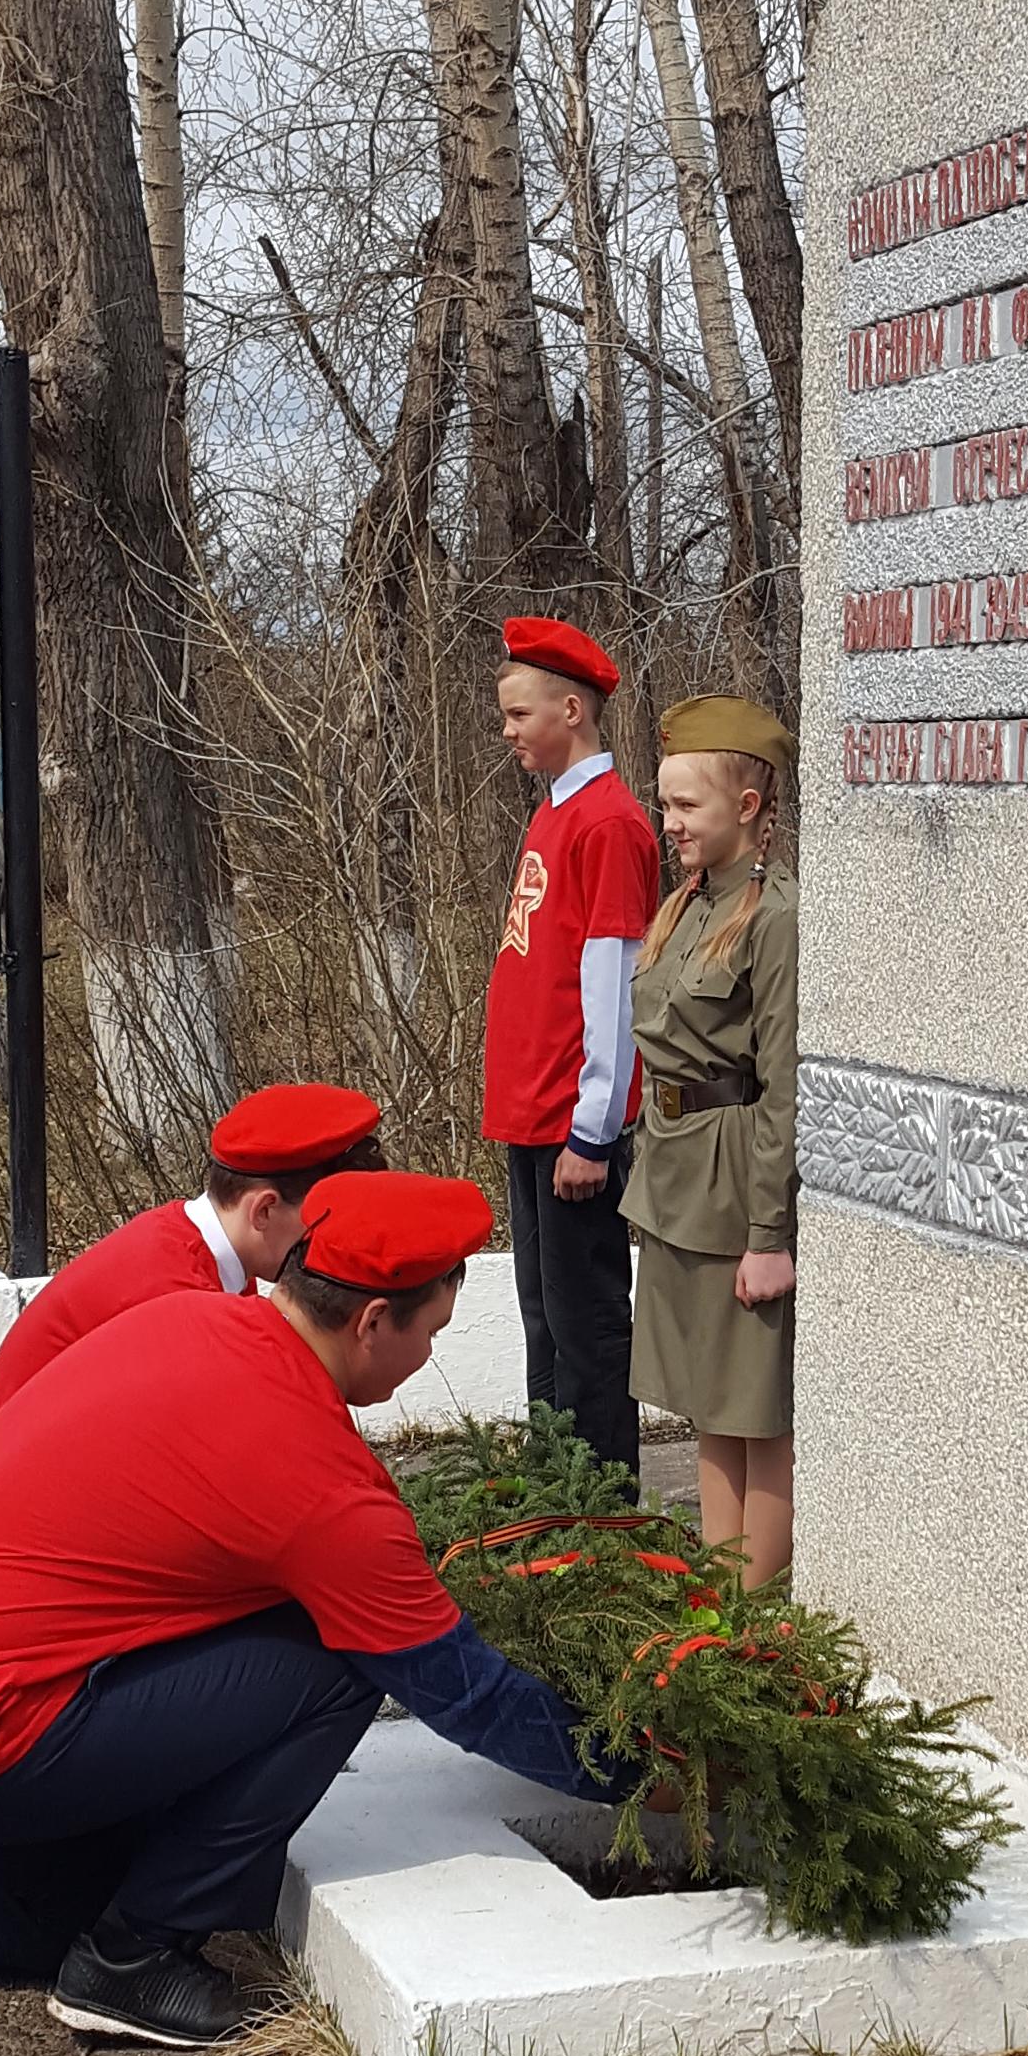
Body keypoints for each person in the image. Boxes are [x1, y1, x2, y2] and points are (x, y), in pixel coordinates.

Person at [0, 1171, 594, 2054]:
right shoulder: (317, 1480)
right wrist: (631, 1770)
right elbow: (459, 1687)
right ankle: (139, 1953)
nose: (430, 1356)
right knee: (337, 1659)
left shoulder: (191, 1315)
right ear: (371, 1321)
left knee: (52, 1912)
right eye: (431, 1332)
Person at [479, 615, 660, 1476]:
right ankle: (551, 1488)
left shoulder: (609, 823)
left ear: (570, 709)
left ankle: (601, 1505)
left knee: (585, 1320)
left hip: (568, 1120)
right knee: (542, 1314)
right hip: (530, 1110)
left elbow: (611, 983)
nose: (508, 731)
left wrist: (594, 1127)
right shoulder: (556, 812)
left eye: (519, 714)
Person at [625, 698, 798, 1583]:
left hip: (735, 1187)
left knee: (756, 1413)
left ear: (749, 806)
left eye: (688, 806)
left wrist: (769, 1236)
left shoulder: (774, 918)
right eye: (665, 804)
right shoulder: (685, 907)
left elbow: (782, 1089)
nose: (671, 823)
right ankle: (722, 1603)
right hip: (675, 1178)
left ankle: (763, 1624)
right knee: (707, 1405)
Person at [0, 1082, 382, 1428]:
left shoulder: (189, 1250)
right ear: (265, 1210)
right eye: (320, 1224)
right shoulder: (178, 1295)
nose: (326, 1243)